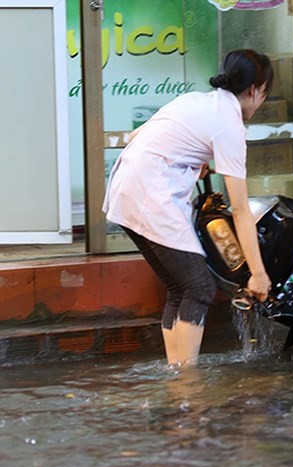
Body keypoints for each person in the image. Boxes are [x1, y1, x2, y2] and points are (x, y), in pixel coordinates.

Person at [103, 49, 273, 367]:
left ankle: (176, 373)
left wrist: (192, 162)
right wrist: (259, 273)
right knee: (198, 287)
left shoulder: (196, 101)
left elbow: (139, 136)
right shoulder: (229, 125)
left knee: (179, 286)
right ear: (254, 90)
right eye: (264, 94)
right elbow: (240, 211)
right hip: (150, 197)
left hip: (125, 190)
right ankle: (188, 385)